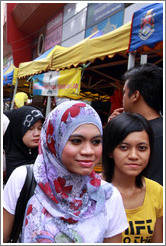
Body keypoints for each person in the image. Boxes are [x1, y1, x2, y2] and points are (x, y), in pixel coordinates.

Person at [3, 101, 128, 243]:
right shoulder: (25, 179)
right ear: (54, 141)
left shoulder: (107, 197)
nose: (88, 151)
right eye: (76, 141)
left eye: (96, 142)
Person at [102, 112, 163, 243]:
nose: (134, 155)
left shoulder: (157, 191)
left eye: (142, 148)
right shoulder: (91, 190)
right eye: (124, 147)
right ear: (110, 151)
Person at [108, 63, 163, 185]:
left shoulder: (137, 134)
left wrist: (114, 134)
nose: (123, 98)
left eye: (124, 92)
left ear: (135, 95)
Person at [3, 106, 45, 183]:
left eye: (40, 128)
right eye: (30, 129)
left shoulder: (46, 154)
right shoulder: (4, 156)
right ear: (18, 129)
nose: (37, 134)